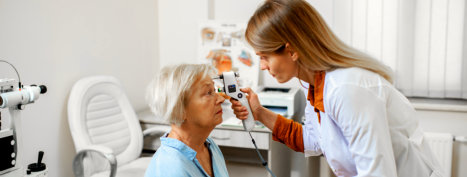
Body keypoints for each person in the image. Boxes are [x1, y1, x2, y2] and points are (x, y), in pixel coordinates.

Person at [230, 0, 444, 176]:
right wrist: (258, 113)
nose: (263, 66)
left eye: (264, 57)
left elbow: (377, 173)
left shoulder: (347, 89)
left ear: (292, 50)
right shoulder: (312, 82)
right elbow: (314, 140)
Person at [144, 64, 229, 177]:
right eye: (208, 93)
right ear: (179, 109)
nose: (221, 99)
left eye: (214, 90)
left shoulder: (209, 146)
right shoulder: (171, 168)